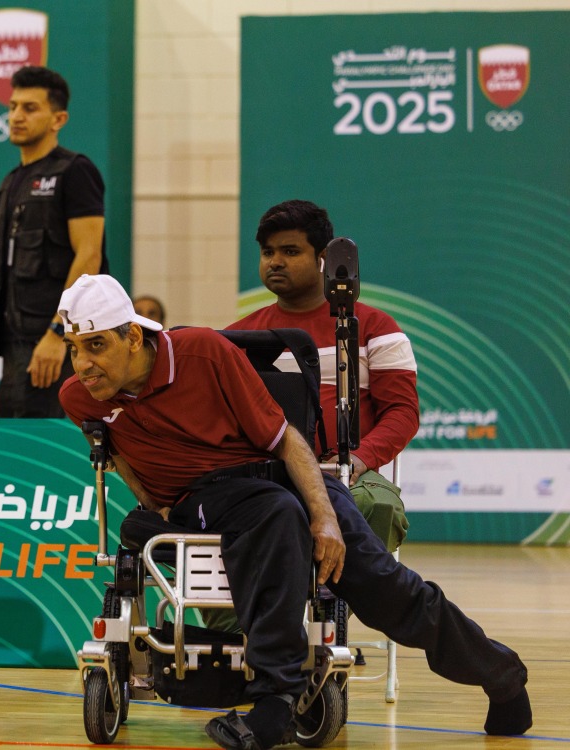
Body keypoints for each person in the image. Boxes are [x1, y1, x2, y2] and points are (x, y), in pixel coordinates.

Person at [56, 273, 531, 749]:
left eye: (96, 345)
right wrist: (154, 505)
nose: (83, 364)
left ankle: (501, 673)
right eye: (73, 349)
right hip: (208, 498)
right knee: (277, 511)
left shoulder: (203, 352)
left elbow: (287, 442)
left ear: (132, 336)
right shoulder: (80, 396)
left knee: (386, 585)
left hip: (280, 479)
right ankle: (275, 705)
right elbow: (119, 459)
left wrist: (325, 517)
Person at [229, 199, 417, 551]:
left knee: (379, 506)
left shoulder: (377, 328)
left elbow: (402, 412)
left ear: (324, 259)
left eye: (290, 251)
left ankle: (350, 583)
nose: (275, 262)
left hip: (348, 476)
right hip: (265, 477)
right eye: (268, 252)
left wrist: (360, 459)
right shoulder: (238, 337)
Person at [0, 65, 107, 417]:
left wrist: (58, 333)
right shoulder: (11, 182)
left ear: (58, 119)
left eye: (30, 108)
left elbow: (89, 257)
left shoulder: (75, 171)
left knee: (49, 447)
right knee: (14, 443)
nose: (16, 116)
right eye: (13, 107)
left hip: (59, 348)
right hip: (15, 349)